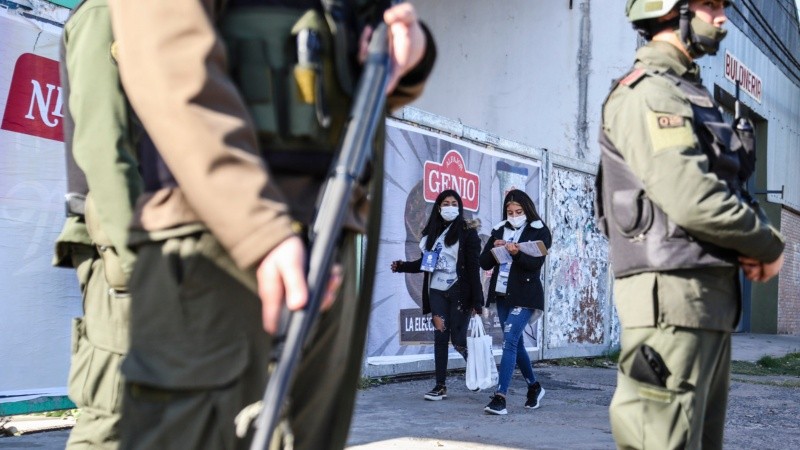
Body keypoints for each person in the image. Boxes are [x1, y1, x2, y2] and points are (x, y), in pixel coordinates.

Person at [105, 1, 436, 449]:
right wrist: (259, 225)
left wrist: (411, 56)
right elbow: (170, 61)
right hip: (215, 240)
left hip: (328, 236)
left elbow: (345, 66)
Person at [596, 1, 785, 448]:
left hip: (704, 304)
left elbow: (728, 185)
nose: (721, 19)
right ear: (670, 10)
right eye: (709, 5)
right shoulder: (649, 93)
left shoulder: (688, 94)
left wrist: (751, 239)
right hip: (671, 306)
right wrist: (766, 244)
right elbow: (691, 197)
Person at [52, 0, 144, 447]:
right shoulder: (108, 13)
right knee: (114, 408)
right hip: (122, 249)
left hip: (163, 245)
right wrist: (141, 257)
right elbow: (104, 149)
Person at [390, 189, 484, 401]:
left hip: (460, 292)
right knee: (440, 337)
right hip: (437, 293)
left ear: (459, 207)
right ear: (439, 207)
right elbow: (426, 264)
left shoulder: (467, 231)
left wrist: (477, 300)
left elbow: (473, 267)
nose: (450, 206)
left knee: (458, 340)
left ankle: (478, 371)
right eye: (445, 203)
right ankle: (440, 386)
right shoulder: (431, 234)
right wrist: (402, 266)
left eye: (454, 203)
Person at [479, 189, 551, 415]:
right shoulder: (499, 229)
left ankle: (500, 397)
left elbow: (534, 264)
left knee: (509, 341)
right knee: (516, 343)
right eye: (510, 212)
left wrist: (517, 252)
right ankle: (534, 387)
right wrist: (497, 247)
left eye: (518, 211)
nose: (514, 215)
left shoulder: (539, 230)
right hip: (501, 293)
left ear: (527, 210)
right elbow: (484, 263)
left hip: (526, 294)